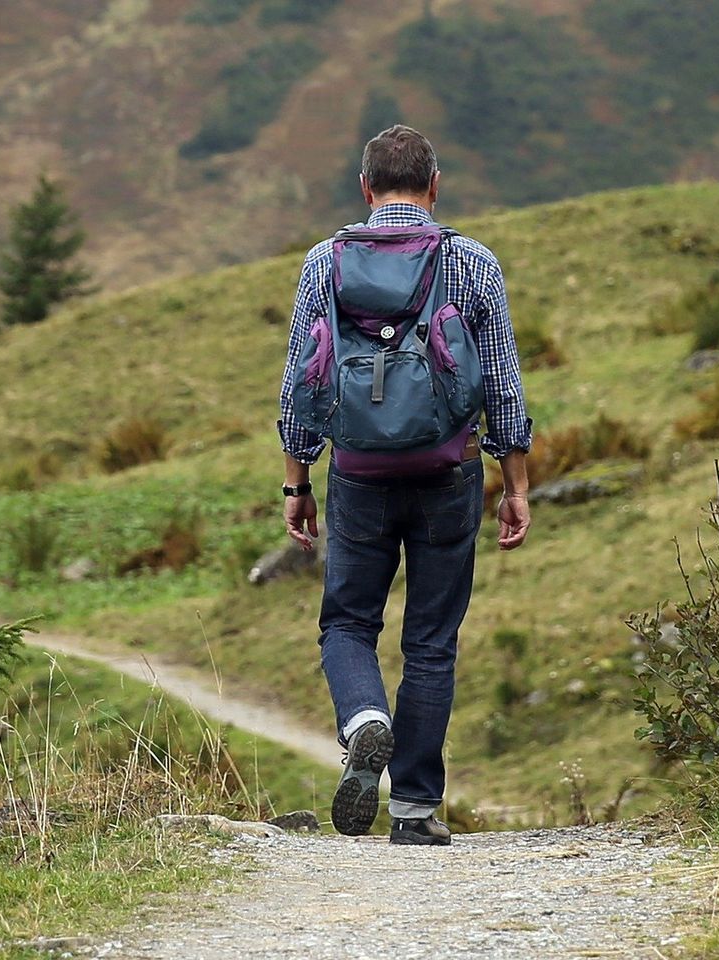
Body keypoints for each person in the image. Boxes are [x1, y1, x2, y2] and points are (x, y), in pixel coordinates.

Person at [277, 125, 532, 845]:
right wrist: (515, 483)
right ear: (434, 185)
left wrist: (297, 481)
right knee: (431, 640)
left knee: (348, 622)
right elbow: (504, 386)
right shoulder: (472, 262)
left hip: (357, 473)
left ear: (365, 188)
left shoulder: (324, 262)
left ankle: (365, 720)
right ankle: (415, 810)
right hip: (448, 471)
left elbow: (301, 377)